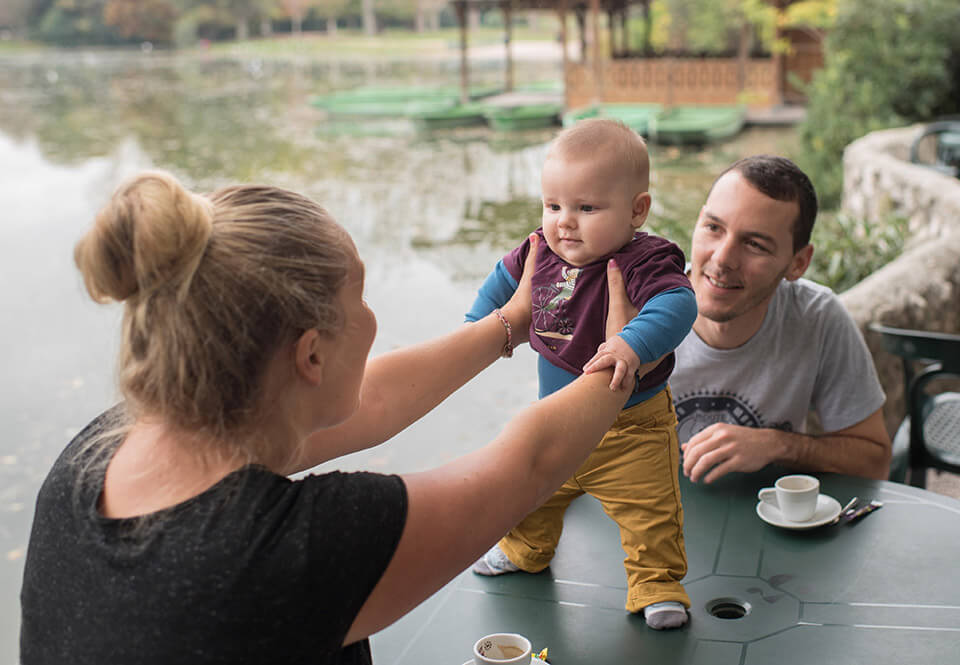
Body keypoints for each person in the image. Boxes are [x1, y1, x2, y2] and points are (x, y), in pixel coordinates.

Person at [19, 171, 644, 665]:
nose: (371, 317)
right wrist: (618, 364)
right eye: (360, 297)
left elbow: (370, 401)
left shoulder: (95, 451)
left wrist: (507, 324)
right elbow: (527, 466)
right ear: (312, 354)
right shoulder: (287, 551)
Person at [464, 119, 698, 630]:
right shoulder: (539, 252)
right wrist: (475, 327)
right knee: (529, 494)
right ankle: (527, 550)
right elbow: (501, 283)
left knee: (650, 515)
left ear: (637, 209)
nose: (564, 223)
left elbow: (680, 304)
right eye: (554, 206)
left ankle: (656, 582)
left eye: (586, 208)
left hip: (631, 429)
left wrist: (632, 342)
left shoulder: (644, 259)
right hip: (559, 420)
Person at [670, 155, 892, 484]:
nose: (722, 258)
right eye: (714, 228)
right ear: (699, 221)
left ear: (798, 263)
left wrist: (779, 445)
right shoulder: (634, 305)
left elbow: (874, 462)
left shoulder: (817, 318)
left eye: (754, 244)